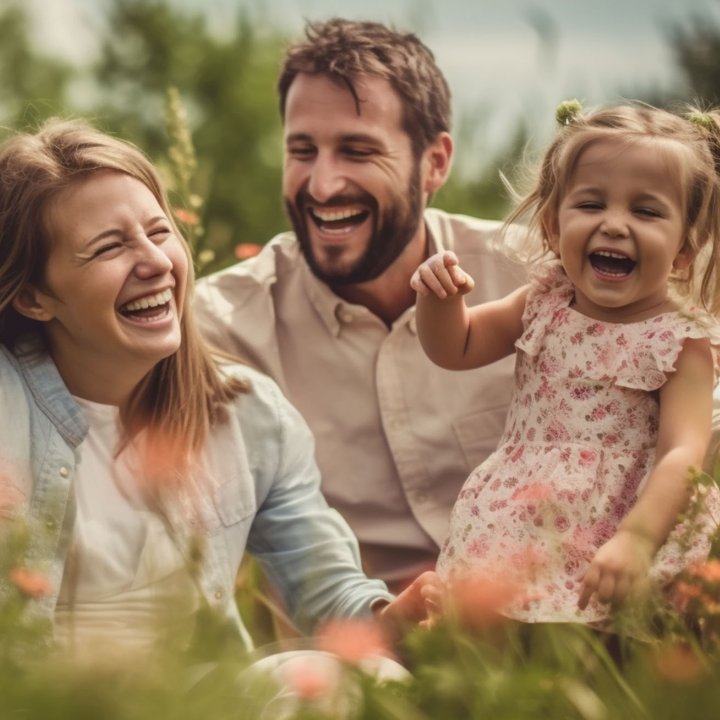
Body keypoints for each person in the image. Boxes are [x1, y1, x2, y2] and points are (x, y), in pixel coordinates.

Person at [0, 118, 439, 658]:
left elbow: (326, 591)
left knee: (354, 684)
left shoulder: (252, 417)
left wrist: (396, 618)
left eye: (159, 232)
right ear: (33, 298)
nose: (157, 262)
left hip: (206, 701)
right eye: (109, 248)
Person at [194, 18, 526, 593]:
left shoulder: (539, 276)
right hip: (357, 652)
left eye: (357, 150)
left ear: (435, 163)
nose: (322, 185)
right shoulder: (222, 325)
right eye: (302, 151)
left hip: (557, 633)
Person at [411, 100, 720, 626]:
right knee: (505, 640)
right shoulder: (544, 302)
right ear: (553, 227)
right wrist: (439, 300)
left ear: (684, 251)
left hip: (624, 519)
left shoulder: (678, 341)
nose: (615, 225)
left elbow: (681, 452)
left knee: (603, 647)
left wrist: (635, 540)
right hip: (522, 515)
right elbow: (455, 347)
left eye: (645, 211)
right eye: (591, 204)